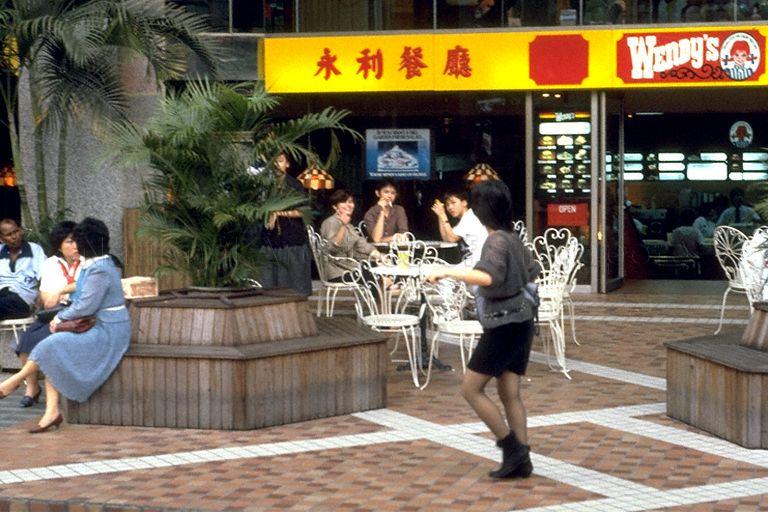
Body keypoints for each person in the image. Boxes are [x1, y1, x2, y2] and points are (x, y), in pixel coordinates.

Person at [425, 180, 540, 479]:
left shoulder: (496, 241)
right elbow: (531, 272)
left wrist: (447, 271)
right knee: (509, 392)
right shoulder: (513, 238)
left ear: (481, 209)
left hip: (504, 324)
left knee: (471, 389)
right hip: (522, 321)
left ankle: (512, 448)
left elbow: (488, 277)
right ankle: (522, 459)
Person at [0, 218, 131, 434]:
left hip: (109, 332)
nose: (76, 246)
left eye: (78, 241)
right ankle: (51, 411)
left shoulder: (100, 269)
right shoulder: (98, 264)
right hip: (99, 325)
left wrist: (60, 319)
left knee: (53, 344)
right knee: (54, 348)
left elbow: (86, 306)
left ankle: (14, 381)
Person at [14, 221, 84, 408]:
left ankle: (25, 383)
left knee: (48, 336)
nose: (75, 246)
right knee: (27, 339)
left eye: (77, 241)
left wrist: (61, 290)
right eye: (69, 242)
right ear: (59, 244)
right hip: (55, 312)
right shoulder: (51, 263)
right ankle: (32, 388)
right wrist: (52, 296)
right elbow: (47, 298)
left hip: (79, 313)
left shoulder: (87, 262)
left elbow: (86, 286)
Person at [260, 152, 312, 296]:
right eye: (274, 161)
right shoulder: (264, 186)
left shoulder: (294, 185)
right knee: (269, 284)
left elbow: (303, 211)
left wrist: (278, 213)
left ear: (287, 164)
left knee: (293, 285)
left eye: (281, 161)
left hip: (291, 239)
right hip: (270, 239)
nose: (277, 164)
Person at [320, 189, 382, 281]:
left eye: (350, 202)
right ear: (335, 207)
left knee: (383, 267)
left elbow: (361, 244)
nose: (348, 205)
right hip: (338, 272)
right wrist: (343, 225)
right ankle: (386, 288)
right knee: (375, 277)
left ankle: (389, 288)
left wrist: (378, 255)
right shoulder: (330, 222)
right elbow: (332, 247)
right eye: (344, 202)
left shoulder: (350, 226)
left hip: (352, 267)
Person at [0, 218, 46, 320]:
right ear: (1, 239)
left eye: (16, 231)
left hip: (22, 299)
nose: (14, 236)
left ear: (20, 230)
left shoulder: (35, 250)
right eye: (8, 234)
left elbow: (46, 278)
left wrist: (39, 305)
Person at [431, 189, 488, 266]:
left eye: (453, 203)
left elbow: (452, 239)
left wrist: (443, 215)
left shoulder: (470, 218)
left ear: (464, 203)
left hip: (478, 261)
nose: (450, 207)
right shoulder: (465, 219)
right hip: (473, 260)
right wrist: (440, 216)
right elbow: (446, 238)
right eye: (447, 205)